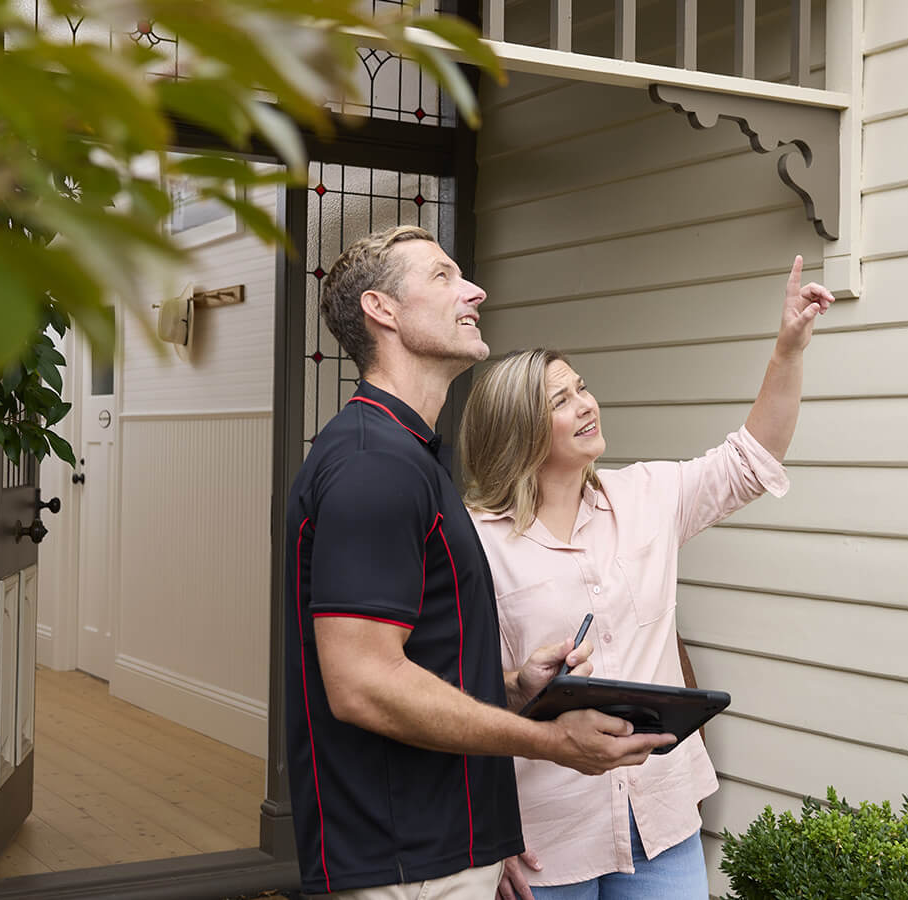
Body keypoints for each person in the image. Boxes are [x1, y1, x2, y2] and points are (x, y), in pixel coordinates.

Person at [284, 225, 674, 899]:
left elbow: (417, 660)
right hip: (406, 861)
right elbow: (363, 682)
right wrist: (552, 742)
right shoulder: (373, 465)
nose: (475, 291)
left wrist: (513, 686)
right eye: (442, 276)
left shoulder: (408, 454)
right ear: (382, 310)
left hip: (442, 848)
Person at [459, 258, 833, 899]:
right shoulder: (476, 541)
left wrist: (788, 350)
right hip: (546, 837)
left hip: (661, 819)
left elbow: (752, 459)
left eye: (582, 388)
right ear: (519, 430)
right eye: (560, 400)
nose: (586, 404)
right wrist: (489, 831)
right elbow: (458, 698)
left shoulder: (648, 496)